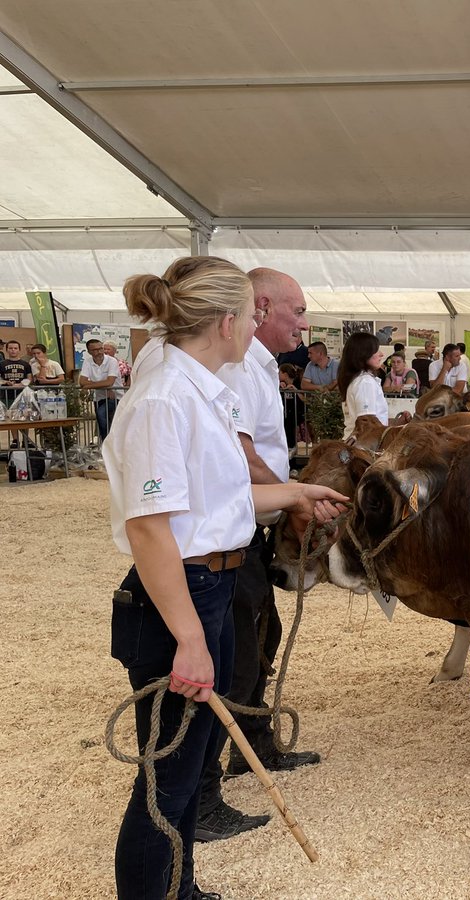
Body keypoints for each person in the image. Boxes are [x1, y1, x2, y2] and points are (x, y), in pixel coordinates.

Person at [105, 256, 345, 900]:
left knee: (186, 766)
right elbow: (151, 529)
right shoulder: (164, 399)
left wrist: (296, 492)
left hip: (207, 585)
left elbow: (221, 499)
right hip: (178, 596)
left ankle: (181, 890)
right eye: (248, 313)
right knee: (167, 780)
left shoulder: (202, 389)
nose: (255, 323)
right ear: (225, 320)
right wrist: (188, 638)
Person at [191, 267, 324, 844]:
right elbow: (241, 456)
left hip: (247, 525)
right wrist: (294, 497)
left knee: (259, 637)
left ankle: (254, 746)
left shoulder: (260, 365)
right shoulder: (239, 367)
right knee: (238, 650)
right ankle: (201, 795)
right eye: (296, 311)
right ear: (261, 307)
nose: (304, 322)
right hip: (229, 530)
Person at [339, 332, 390, 440]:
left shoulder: (360, 379)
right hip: (364, 446)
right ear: (363, 354)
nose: (381, 354)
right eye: (376, 351)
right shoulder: (365, 382)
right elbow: (367, 425)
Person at [79, 338, 122, 441]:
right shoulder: (88, 361)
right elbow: (82, 381)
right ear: (89, 352)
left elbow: (110, 382)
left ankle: (107, 442)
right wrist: (105, 386)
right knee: (101, 420)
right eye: (94, 350)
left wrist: (88, 385)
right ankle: (106, 443)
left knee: (101, 414)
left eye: (100, 349)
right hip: (99, 397)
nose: (99, 352)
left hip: (115, 396)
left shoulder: (112, 361)